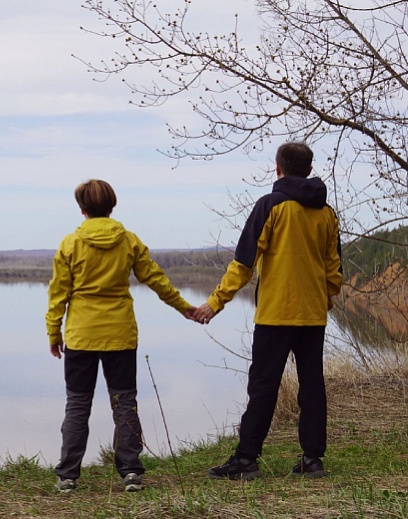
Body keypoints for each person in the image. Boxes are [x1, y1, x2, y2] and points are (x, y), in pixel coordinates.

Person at [194, 142, 343, 480]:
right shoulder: (327, 213)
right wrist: (323, 300)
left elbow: (244, 263)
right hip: (312, 316)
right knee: (312, 386)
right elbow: (333, 272)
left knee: (263, 387)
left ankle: (246, 460)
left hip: (275, 316)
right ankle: (313, 459)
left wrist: (214, 303)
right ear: (308, 169)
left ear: (278, 168)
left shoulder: (270, 206)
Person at [45, 179, 197, 493]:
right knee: (125, 404)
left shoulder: (70, 244)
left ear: (82, 209)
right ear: (112, 206)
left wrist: (53, 332)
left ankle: (68, 476)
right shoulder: (128, 241)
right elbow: (155, 279)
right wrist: (183, 307)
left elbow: (58, 294)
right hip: (120, 335)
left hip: (81, 336)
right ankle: (130, 472)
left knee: (77, 405)